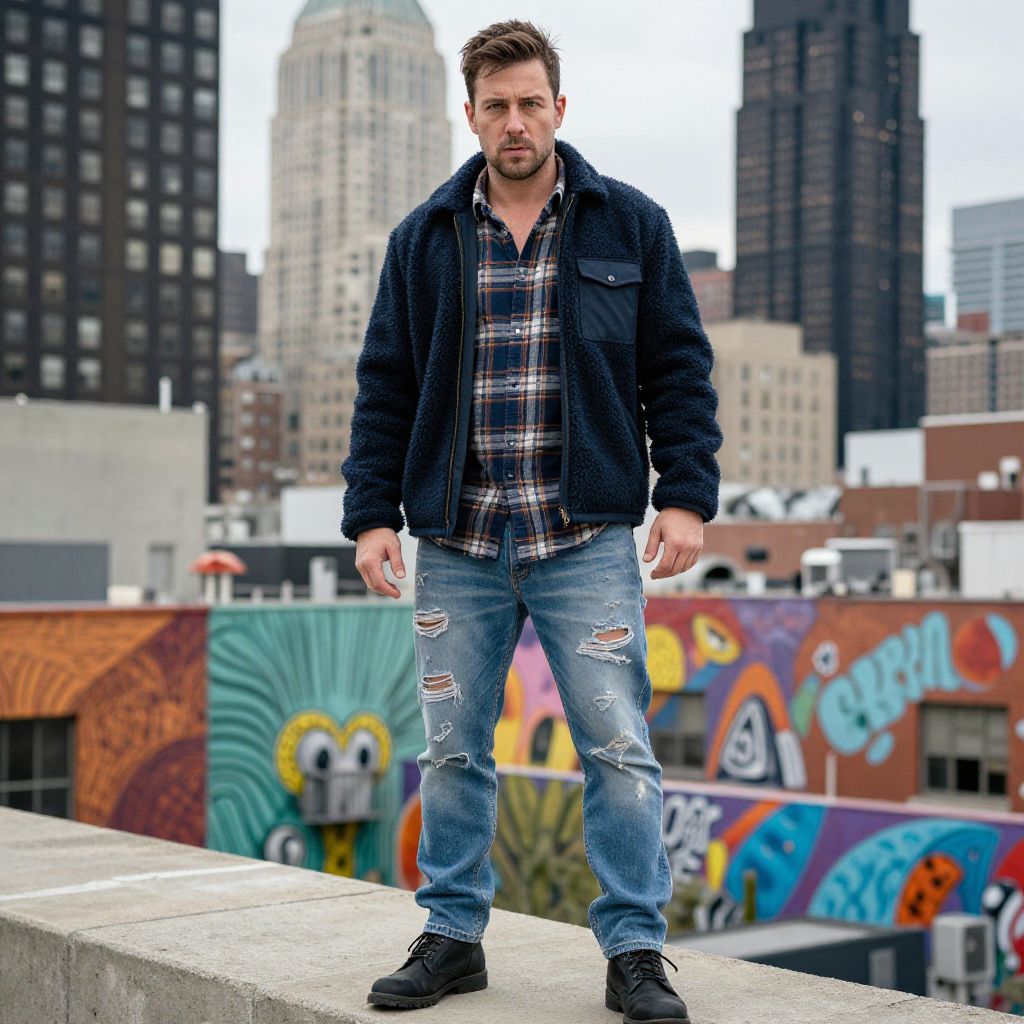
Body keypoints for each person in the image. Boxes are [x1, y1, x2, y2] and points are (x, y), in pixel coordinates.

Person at [340, 19, 722, 1023]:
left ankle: (634, 950)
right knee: (455, 746)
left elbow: (677, 370)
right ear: (469, 115)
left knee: (618, 747)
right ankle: (453, 935)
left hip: (583, 537)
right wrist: (369, 517)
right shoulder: (425, 239)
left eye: (531, 102)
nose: (515, 122)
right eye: (496, 106)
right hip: (457, 540)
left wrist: (685, 491)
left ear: (560, 107)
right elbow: (385, 385)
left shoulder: (627, 224)